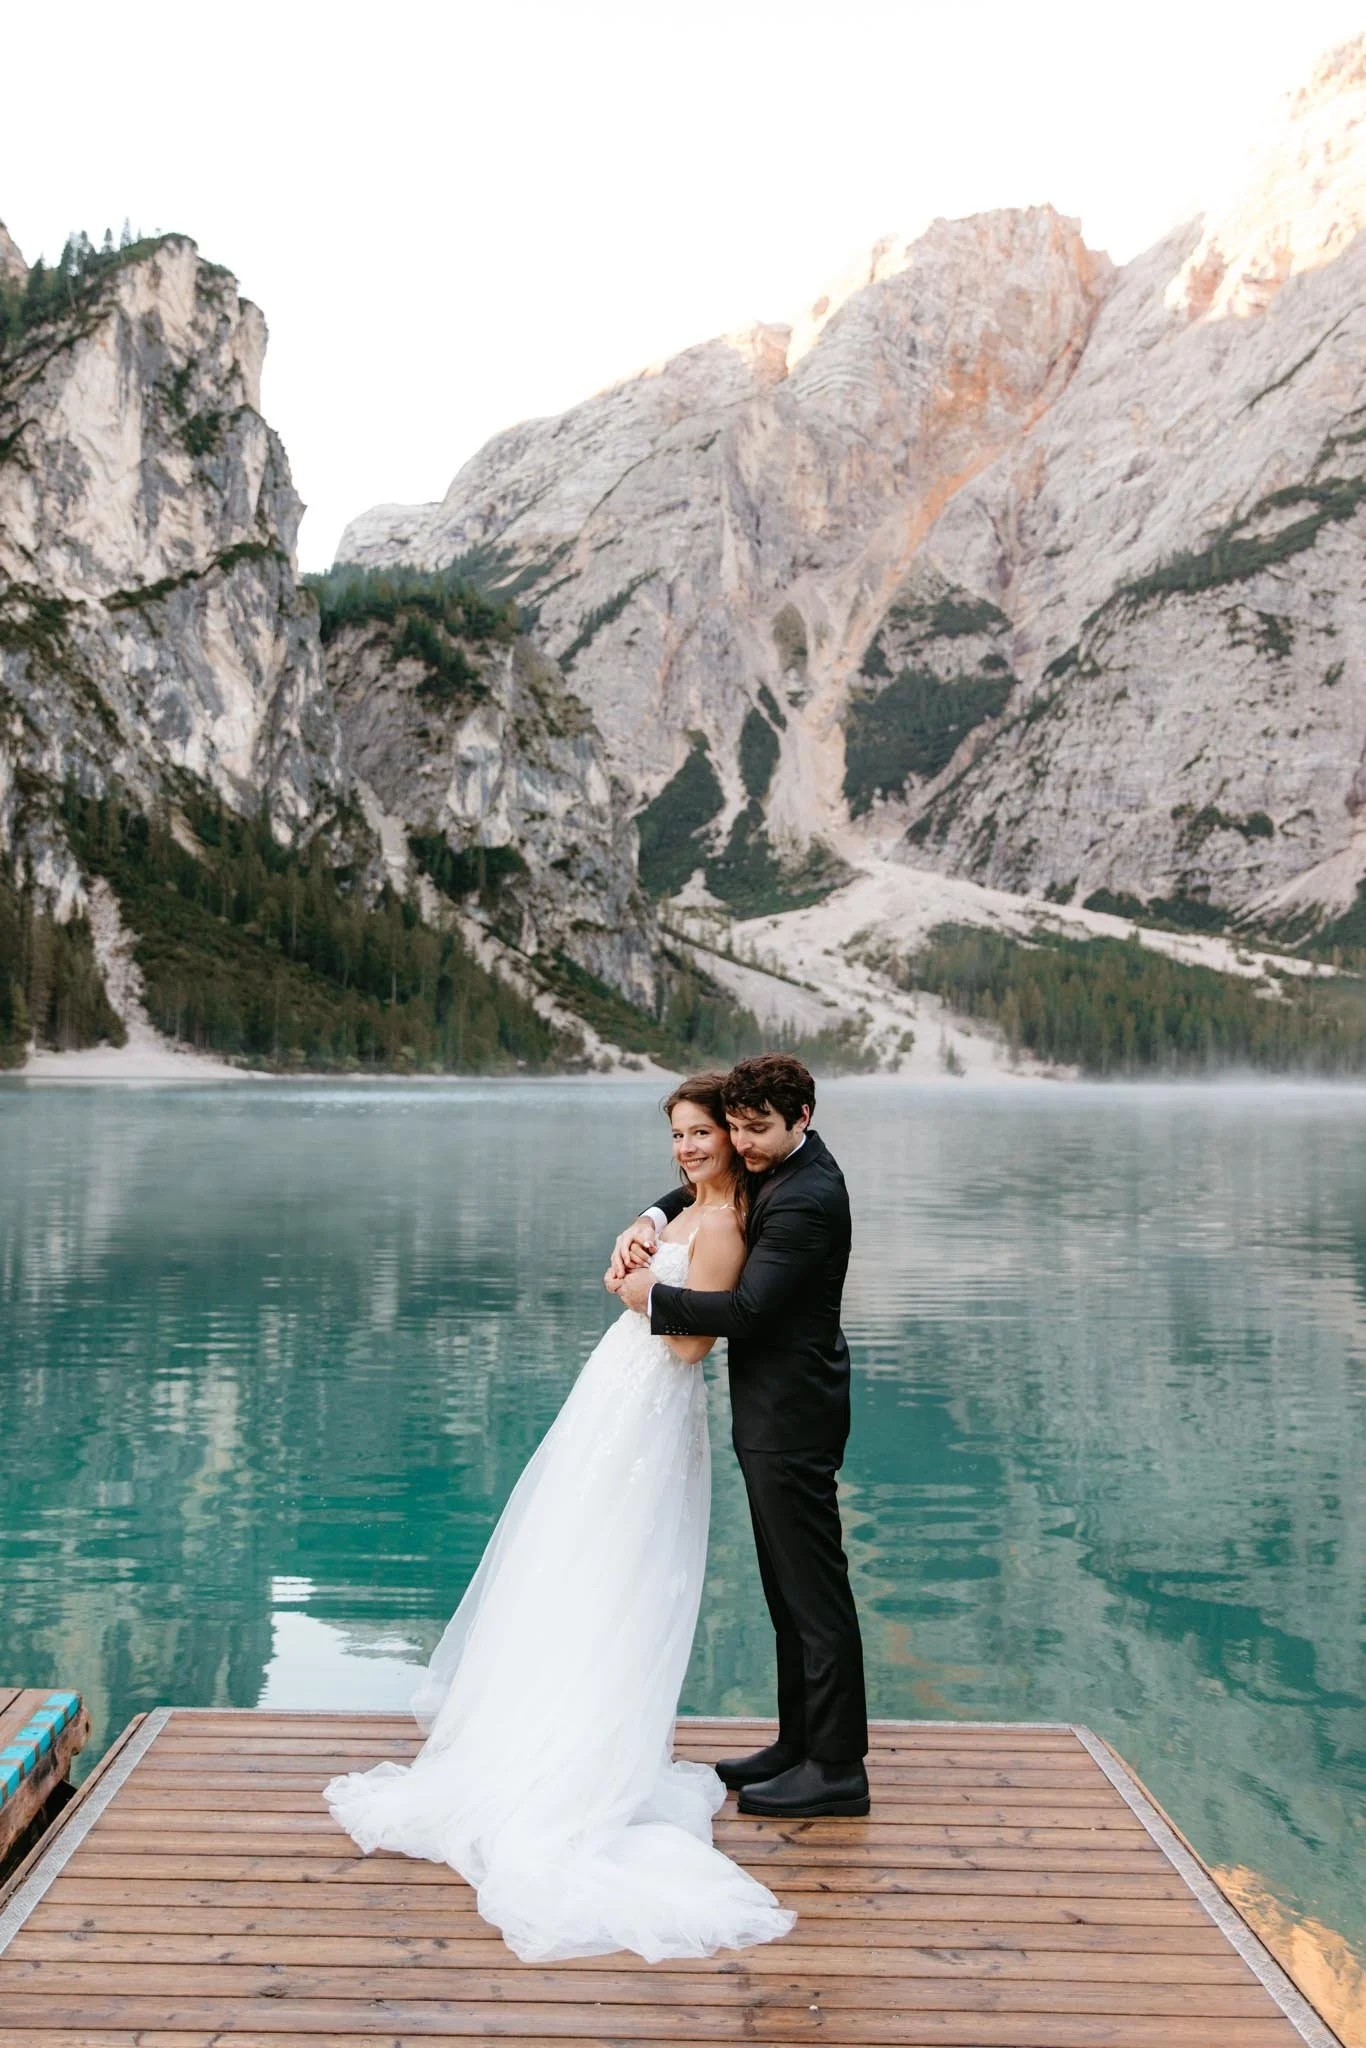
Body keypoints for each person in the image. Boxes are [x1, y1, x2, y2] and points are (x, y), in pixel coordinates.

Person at [322, 1074, 795, 1964]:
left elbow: (693, 1341)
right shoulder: (686, 1209)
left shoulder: (730, 1221)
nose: (688, 1148)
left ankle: (588, 1750)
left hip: (656, 1406)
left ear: (735, 1138)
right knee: (579, 1564)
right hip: (616, 1400)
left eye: (703, 1134)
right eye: (680, 1135)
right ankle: (553, 1736)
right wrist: (644, 1238)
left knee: (625, 1573)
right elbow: (665, 1251)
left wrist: (637, 1292)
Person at [610, 1052, 869, 1819]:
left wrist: (650, 1295)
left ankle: (837, 1770)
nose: (742, 1145)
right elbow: (703, 1187)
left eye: (758, 1131)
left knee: (815, 1596)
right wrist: (653, 1219)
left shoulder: (807, 1199)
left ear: (803, 1119)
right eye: (736, 1129)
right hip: (772, 1411)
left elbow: (749, 1311)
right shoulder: (776, 1165)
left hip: (793, 1417)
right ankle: (798, 1742)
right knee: (785, 1590)